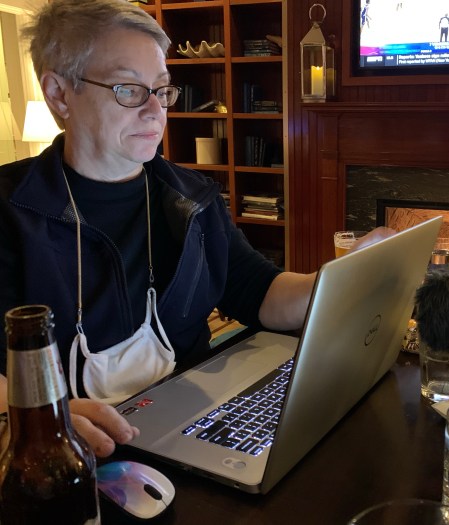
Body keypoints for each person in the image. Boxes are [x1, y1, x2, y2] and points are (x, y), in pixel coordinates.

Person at [0, 0, 390, 458]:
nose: (155, 110)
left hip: (194, 428)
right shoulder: (11, 210)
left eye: (162, 89)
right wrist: (34, 418)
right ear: (59, 94)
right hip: (64, 453)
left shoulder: (192, 197)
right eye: (129, 89)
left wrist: (341, 280)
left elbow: (257, 290)